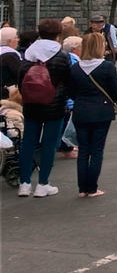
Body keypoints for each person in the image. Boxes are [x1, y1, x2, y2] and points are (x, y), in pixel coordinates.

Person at [17, 18, 72, 197]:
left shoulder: (27, 54)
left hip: (31, 104)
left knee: (28, 142)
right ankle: (43, 184)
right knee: (49, 144)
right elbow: (68, 82)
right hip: (54, 105)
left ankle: (24, 183)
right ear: (58, 34)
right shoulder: (62, 56)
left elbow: (21, 81)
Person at [68, 30, 117, 197]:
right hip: (101, 110)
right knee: (97, 150)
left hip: (81, 110)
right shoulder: (106, 67)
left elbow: (70, 91)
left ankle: (82, 188)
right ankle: (92, 187)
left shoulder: (76, 67)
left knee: (83, 149)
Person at [1, 25, 22, 98]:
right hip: (7, 95)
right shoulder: (10, 56)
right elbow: (20, 73)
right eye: (16, 38)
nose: (18, 40)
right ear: (9, 41)